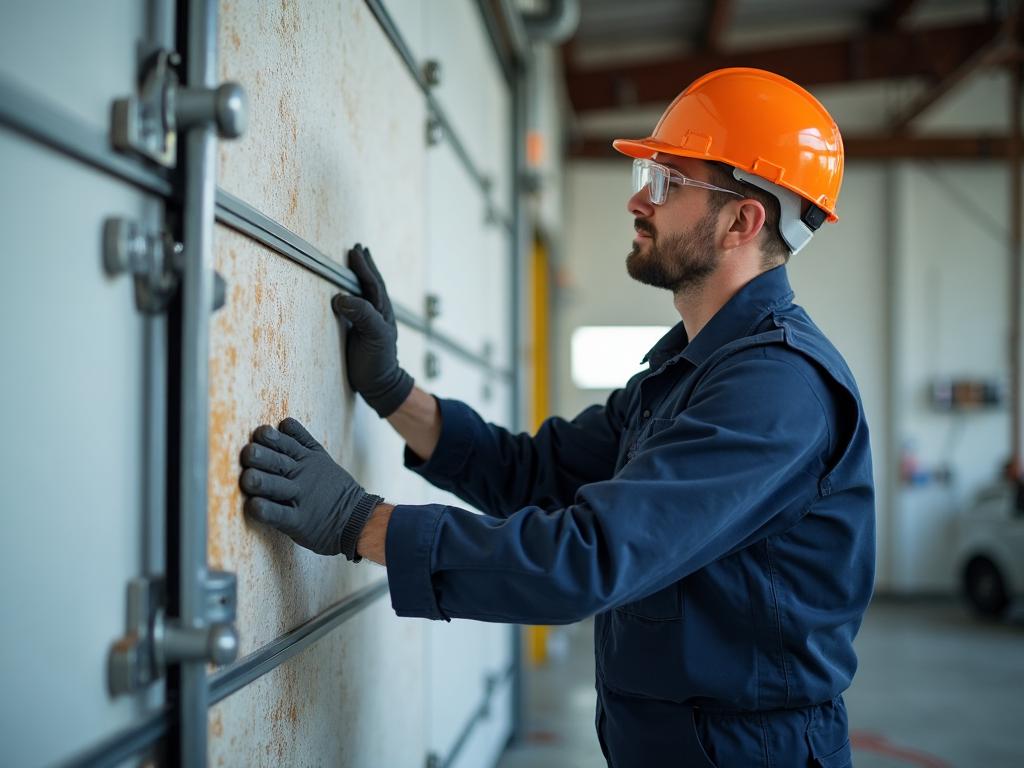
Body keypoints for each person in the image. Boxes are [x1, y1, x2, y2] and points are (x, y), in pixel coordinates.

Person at [238, 67, 874, 767]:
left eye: (666, 182)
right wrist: (393, 391)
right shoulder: (691, 371)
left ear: (742, 221)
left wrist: (357, 522)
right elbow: (537, 471)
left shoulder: (776, 389)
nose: (638, 198)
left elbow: (588, 558)